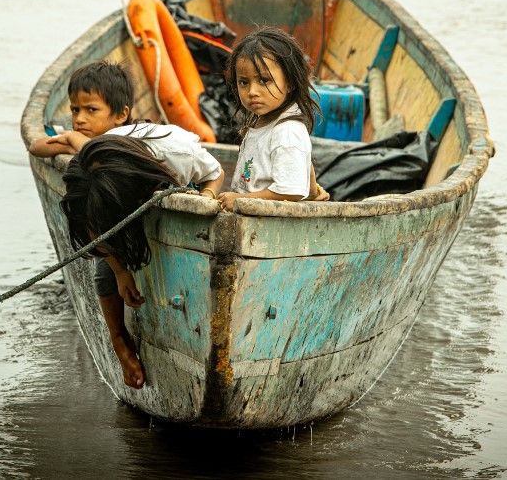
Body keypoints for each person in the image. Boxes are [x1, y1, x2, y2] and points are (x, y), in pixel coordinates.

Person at [32, 60, 224, 389]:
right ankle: (118, 338)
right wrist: (120, 271)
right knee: (106, 262)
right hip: (119, 193)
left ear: (121, 114)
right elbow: (37, 147)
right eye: (75, 111)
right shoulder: (92, 157)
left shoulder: (176, 152)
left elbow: (215, 173)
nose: (79, 118)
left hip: (158, 188)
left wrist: (206, 196)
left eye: (90, 109)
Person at [218, 28, 327, 211]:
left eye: (264, 80)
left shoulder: (287, 131)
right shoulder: (262, 120)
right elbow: (303, 166)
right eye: (244, 82)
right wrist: (312, 191)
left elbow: (290, 191)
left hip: (269, 227)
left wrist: (239, 200)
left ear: (290, 82)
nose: (252, 92)